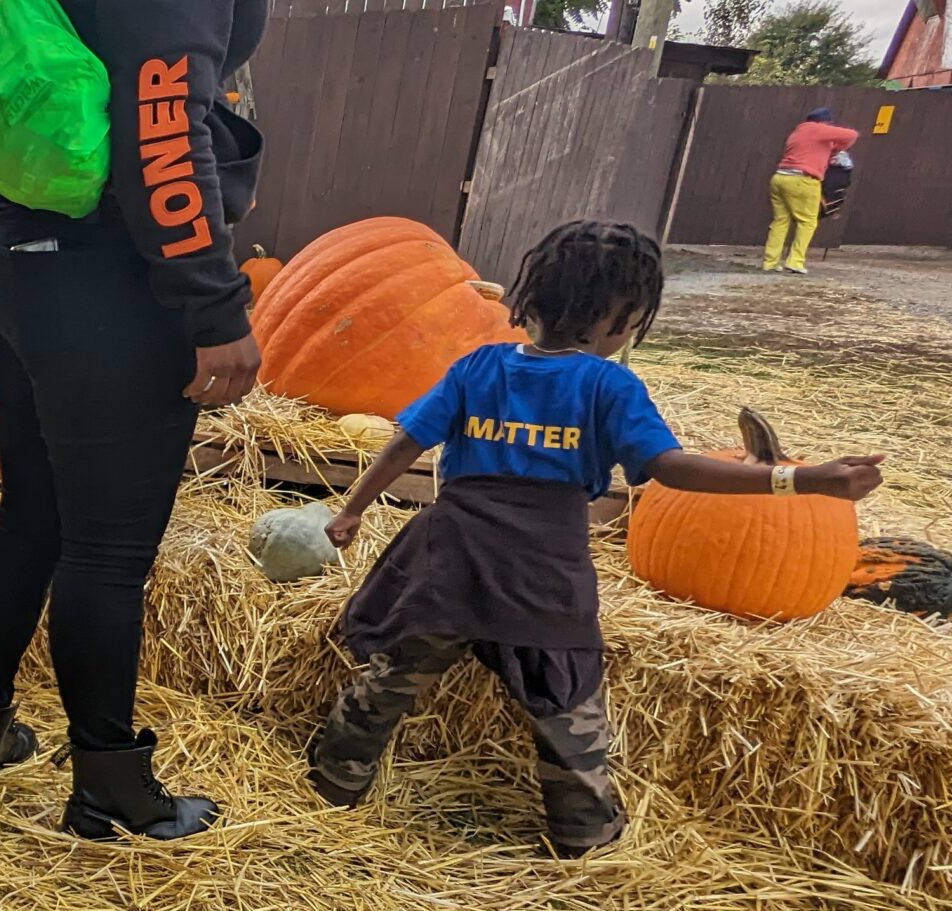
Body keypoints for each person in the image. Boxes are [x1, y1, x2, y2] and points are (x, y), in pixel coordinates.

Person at [311, 220, 884, 855]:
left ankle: (333, 784)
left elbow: (406, 443)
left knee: (391, 678)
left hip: (451, 553)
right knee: (566, 706)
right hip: (542, 568)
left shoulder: (478, 367)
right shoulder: (610, 386)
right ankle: (584, 833)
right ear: (618, 322)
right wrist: (798, 480)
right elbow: (670, 469)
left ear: (530, 299)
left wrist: (352, 509)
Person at [0, 0, 269, 844]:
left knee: (33, 510)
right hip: (104, 283)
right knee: (108, 551)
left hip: (14, 261)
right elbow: (164, 124)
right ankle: (111, 787)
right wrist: (212, 305)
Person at [765, 106, 857, 275]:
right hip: (803, 180)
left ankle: (770, 262)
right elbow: (852, 135)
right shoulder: (818, 130)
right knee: (807, 221)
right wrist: (838, 148)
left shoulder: (798, 133)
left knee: (781, 221)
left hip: (780, 177)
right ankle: (795, 261)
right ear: (824, 122)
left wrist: (831, 147)